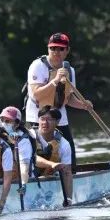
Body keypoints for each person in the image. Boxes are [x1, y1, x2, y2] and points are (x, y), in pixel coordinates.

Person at [25, 32, 92, 169]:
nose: (56, 52)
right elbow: (37, 94)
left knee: (70, 152)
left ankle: (70, 174)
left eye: (60, 49)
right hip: (39, 116)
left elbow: (68, 99)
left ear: (67, 51)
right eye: (53, 48)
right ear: (48, 49)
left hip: (59, 116)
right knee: (40, 151)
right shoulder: (38, 66)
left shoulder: (70, 70)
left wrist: (83, 105)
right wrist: (55, 81)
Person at [34, 106, 73, 205]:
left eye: (49, 120)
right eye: (42, 119)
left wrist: (68, 199)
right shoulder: (28, 138)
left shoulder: (64, 144)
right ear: (38, 120)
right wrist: (51, 164)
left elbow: (67, 173)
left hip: (50, 178)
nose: (45, 123)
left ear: (57, 122)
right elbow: (30, 160)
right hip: (29, 179)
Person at [0, 106, 36, 186]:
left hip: (23, 179)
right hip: (6, 177)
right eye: (2, 120)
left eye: (8, 121)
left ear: (17, 124)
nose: (3, 124)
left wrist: (23, 185)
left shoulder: (23, 141)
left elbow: (24, 166)